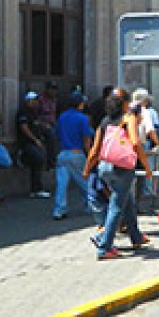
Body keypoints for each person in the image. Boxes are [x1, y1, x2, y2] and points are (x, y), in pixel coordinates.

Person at [83, 88, 152, 260]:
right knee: (116, 206)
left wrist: (86, 170)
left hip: (105, 168)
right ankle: (104, 245)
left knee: (126, 200)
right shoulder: (128, 118)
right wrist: (146, 167)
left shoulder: (104, 122)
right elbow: (136, 143)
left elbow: (94, 150)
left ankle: (136, 237)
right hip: (122, 168)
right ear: (126, 104)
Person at [52, 91, 94, 220]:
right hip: (77, 153)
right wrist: (90, 155)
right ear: (80, 104)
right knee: (84, 182)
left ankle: (59, 210)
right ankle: (91, 205)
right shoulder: (82, 118)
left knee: (61, 184)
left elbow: (57, 135)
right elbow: (86, 138)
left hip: (63, 153)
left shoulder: (62, 117)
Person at [15, 92, 50, 199]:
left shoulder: (33, 113)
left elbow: (37, 124)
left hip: (35, 142)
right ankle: (36, 189)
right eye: (34, 100)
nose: (36, 103)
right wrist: (35, 140)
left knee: (38, 162)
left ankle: (36, 189)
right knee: (38, 159)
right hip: (27, 143)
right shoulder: (23, 112)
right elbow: (24, 128)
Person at [37, 81, 59, 170]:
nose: (53, 92)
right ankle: (51, 162)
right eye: (51, 89)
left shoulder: (55, 100)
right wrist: (43, 124)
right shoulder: (40, 100)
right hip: (42, 125)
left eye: (55, 89)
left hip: (54, 124)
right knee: (51, 135)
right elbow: (36, 116)